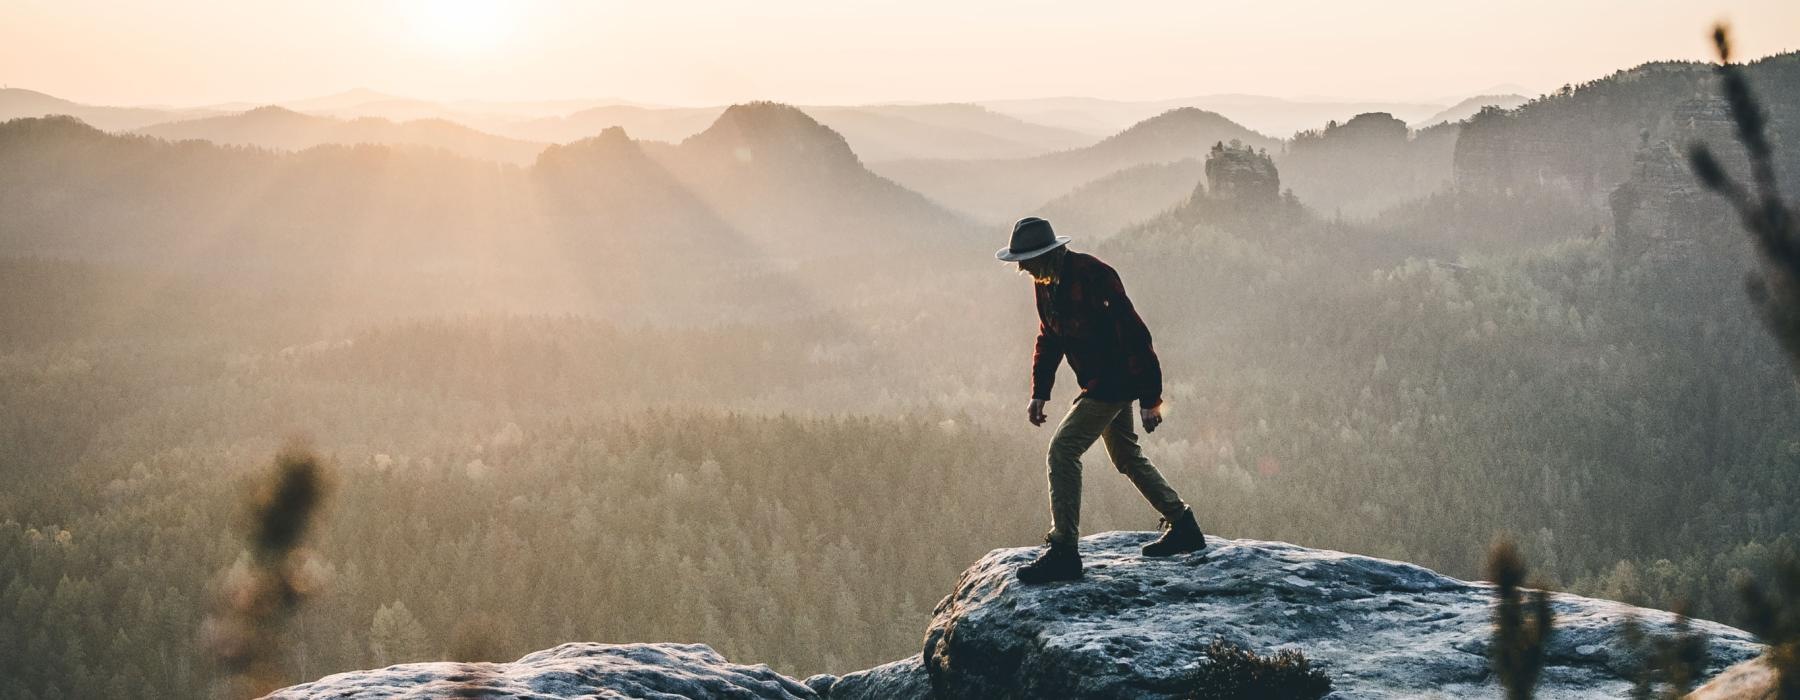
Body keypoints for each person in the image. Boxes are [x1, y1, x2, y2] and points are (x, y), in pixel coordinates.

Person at [995, 216, 1207, 584]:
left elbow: (1136, 335)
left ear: (1044, 254)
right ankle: (1183, 524)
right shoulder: (1046, 284)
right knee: (1125, 456)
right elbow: (1049, 336)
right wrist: (1040, 392)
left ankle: (1064, 551)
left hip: (1115, 381)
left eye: (1025, 260)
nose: (1021, 268)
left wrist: (1150, 397)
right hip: (1097, 382)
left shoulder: (1094, 276)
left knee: (1062, 451)